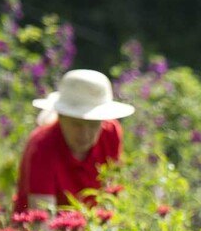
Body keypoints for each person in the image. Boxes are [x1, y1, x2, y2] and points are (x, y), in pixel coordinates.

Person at [14, 69, 135, 211]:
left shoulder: (110, 133)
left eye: (93, 125)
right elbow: (41, 218)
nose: (85, 134)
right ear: (61, 117)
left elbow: (109, 195)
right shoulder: (42, 145)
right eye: (77, 124)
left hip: (93, 226)